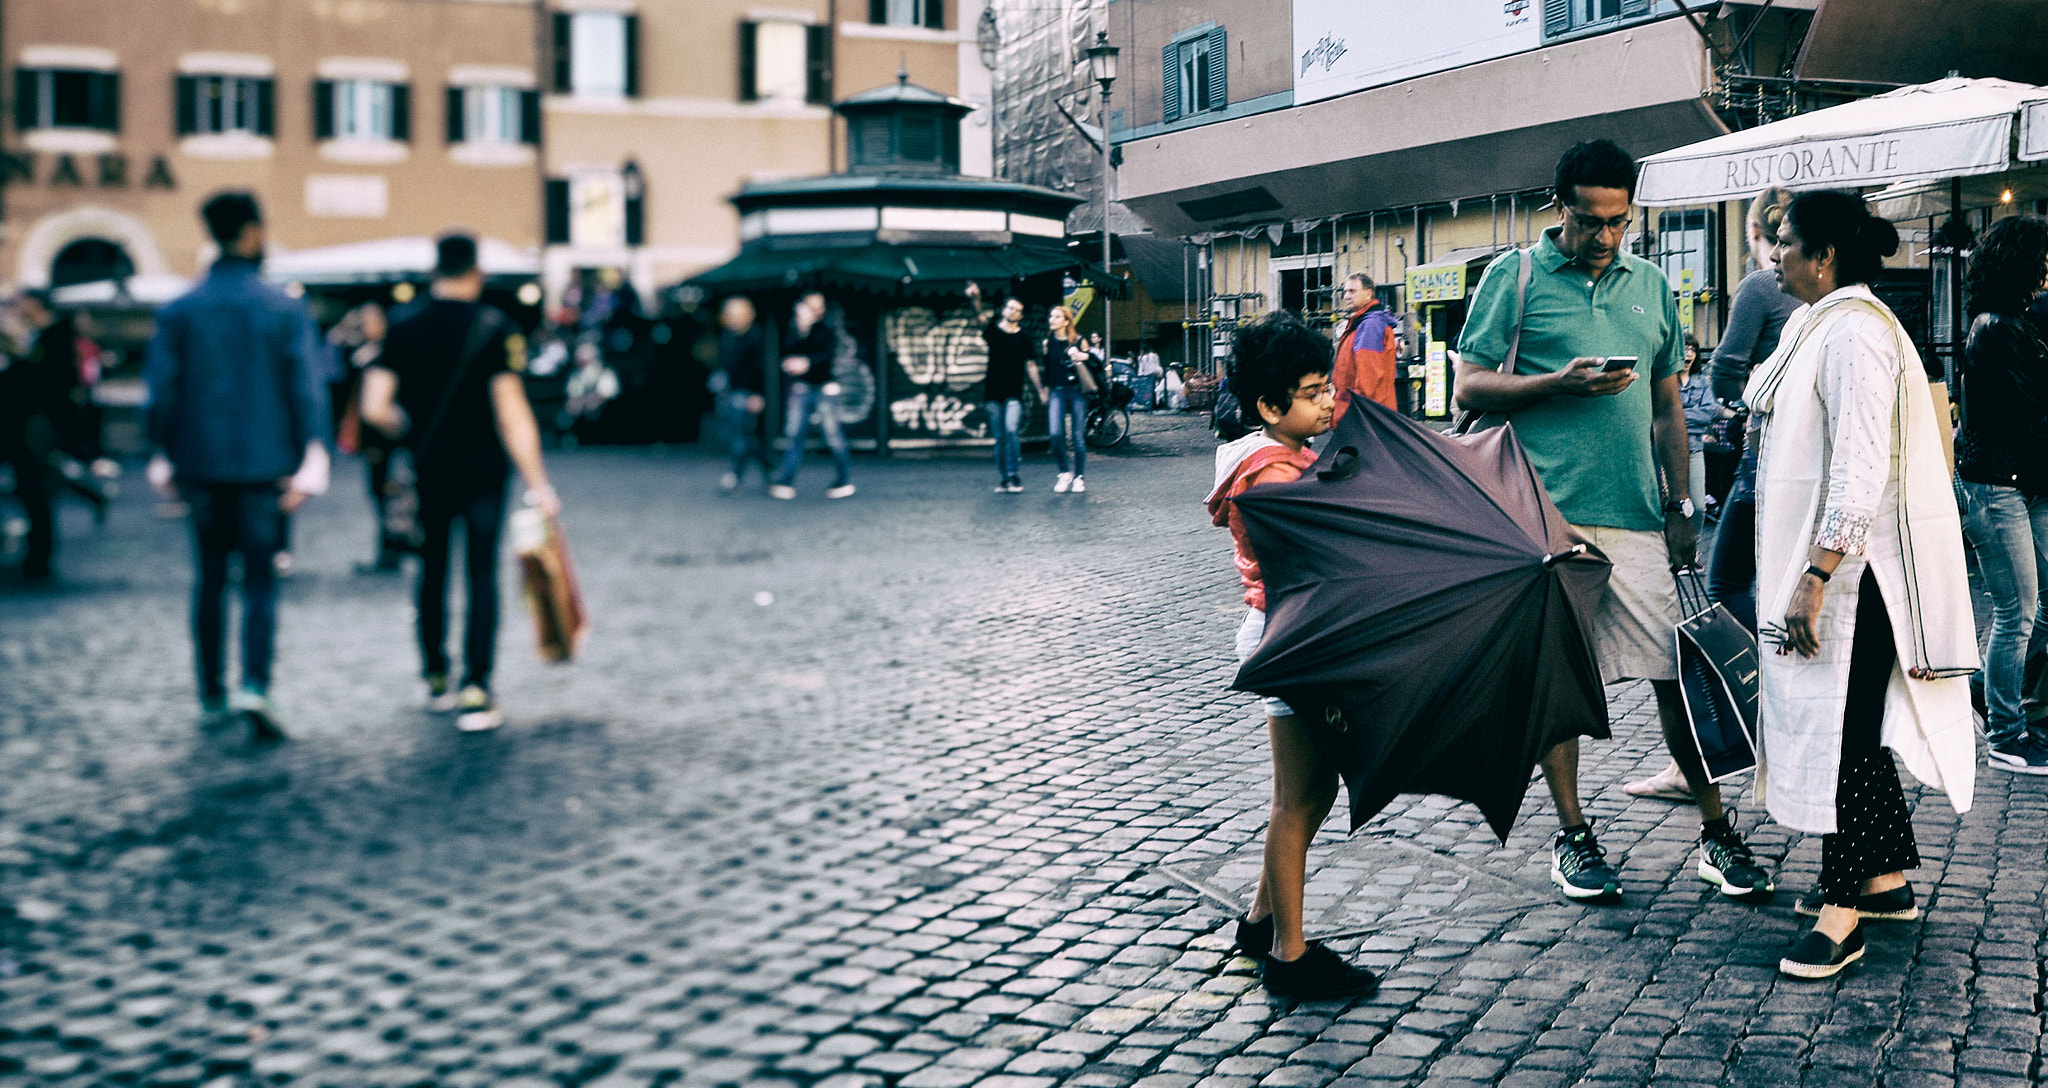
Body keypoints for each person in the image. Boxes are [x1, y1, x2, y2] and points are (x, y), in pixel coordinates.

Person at [1454, 139, 1772, 905]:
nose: (1604, 237)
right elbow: (1469, 384)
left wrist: (1679, 503)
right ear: (1558, 206)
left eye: (1618, 222)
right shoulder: (1515, 276)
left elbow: (1667, 404)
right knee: (1559, 687)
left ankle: (1716, 833)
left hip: (1635, 515)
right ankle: (1573, 836)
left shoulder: (1652, 285)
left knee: (1676, 679)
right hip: (1540, 518)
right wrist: (1554, 383)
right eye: (1590, 220)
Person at [1746, 190, 1977, 979]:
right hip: (1837, 571)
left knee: (1840, 732)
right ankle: (1882, 879)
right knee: (1854, 722)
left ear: (1824, 258)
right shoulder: (1828, 322)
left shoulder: (1854, 335)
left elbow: (1859, 466)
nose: (1775, 254)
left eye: (1786, 242)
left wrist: (1816, 575)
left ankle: (1842, 912)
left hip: (1852, 579)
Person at [1206, 312, 1374, 999]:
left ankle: (1260, 925)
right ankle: (1290, 956)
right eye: (1312, 394)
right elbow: (1315, 557)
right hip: (1292, 637)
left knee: (1307, 793)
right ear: (1270, 407)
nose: (1328, 402)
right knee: (1299, 800)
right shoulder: (1274, 476)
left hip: (1287, 631)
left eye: (1326, 389)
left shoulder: (1276, 455)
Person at [1625, 189, 1801, 804]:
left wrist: (1748, 401)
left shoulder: (1760, 288)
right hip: (1807, 479)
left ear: (1757, 231)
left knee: (1722, 594)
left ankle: (1742, 719)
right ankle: (1765, 721)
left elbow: (1725, 370)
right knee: (1774, 589)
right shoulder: (1833, 304)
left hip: (1764, 464)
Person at [143, 191, 330, 739]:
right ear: (252, 232)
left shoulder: (180, 309)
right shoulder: (284, 307)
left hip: (200, 464)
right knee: (258, 581)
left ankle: (210, 691)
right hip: (264, 465)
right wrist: (311, 454)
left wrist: (162, 452)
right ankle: (255, 685)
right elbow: (305, 386)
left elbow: (162, 392)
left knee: (208, 580)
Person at [361, 233, 560, 733]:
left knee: (431, 571)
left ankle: (433, 676)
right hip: (484, 471)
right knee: (480, 574)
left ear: (435, 272)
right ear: (477, 271)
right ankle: (477, 685)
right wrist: (539, 483)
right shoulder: (494, 327)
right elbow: (512, 414)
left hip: (429, 468)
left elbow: (373, 406)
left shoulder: (403, 328)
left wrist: (407, 430)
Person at [1954, 214, 2048, 772]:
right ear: (2021, 261)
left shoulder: (2013, 320)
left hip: (2025, 483)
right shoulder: (1997, 327)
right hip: (1997, 486)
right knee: (2017, 610)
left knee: (2040, 607)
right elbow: (2028, 416)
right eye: (2040, 256)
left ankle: (1987, 690)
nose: (2046, 266)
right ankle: (2006, 735)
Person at [0, 292, 88, 580]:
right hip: (29, 425)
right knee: (33, 491)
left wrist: (17, 355)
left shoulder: (51, 338)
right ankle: (37, 553)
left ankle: (39, 555)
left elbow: (46, 382)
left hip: (35, 427)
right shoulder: (43, 337)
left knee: (35, 490)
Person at [768, 291, 855, 500]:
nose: (817, 309)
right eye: (812, 305)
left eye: (820, 305)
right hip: (803, 388)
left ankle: (844, 480)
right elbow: (787, 351)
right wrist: (801, 329)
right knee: (794, 434)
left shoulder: (827, 328)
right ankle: (786, 480)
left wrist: (806, 362)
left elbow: (826, 355)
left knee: (832, 435)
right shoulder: (795, 329)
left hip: (825, 388)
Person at [965, 282, 1042, 494]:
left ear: (1020, 316)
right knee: (999, 437)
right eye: (1010, 308)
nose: (1013, 312)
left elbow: (1031, 366)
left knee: (1011, 430)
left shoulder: (1024, 338)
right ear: (1003, 310)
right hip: (992, 393)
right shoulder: (992, 330)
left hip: (1014, 393)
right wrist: (975, 298)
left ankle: (1014, 475)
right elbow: (978, 316)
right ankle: (1003, 478)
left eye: (1018, 310)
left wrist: (1041, 390)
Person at [714, 296, 772, 494]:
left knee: (743, 436)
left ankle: (737, 474)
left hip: (747, 394)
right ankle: (768, 470)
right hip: (733, 393)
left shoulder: (756, 337)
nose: (732, 319)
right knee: (746, 437)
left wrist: (758, 394)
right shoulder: (728, 336)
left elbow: (761, 369)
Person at [1042, 305, 1100, 493]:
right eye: (1051, 316)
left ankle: (1079, 477)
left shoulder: (1078, 340)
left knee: (1077, 436)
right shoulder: (1047, 343)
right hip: (1056, 392)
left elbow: (1095, 363)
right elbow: (1047, 370)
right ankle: (1064, 473)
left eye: (1057, 316)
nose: (1052, 319)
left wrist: (1083, 355)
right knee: (1055, 434)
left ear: (1066, 321)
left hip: (1077, 392)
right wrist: (1044, 390)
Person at [1329, 273, 1399, 424]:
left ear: (1369, 293)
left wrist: (1352, 414)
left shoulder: (1369, 325)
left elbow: (1368, 378)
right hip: (1372, 412)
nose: (1346, 296)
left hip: (1366, 416)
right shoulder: (1365, 323)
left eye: (1352, 291)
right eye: (1345, 291)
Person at [1678, 336, 1717, 534]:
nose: (1689, 353)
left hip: (1694, 449)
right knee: (1673, 506)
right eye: (1685, 348)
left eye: (1692, 349)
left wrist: (1675, 417)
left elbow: (1708, 413)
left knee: (1699, 506)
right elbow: (1658, 414)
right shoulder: (1666, 382)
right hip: (1668, 450)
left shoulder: (1702, 382)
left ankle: (1694, 549)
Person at [1135, 342, 1164, 410]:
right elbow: (1158, 364)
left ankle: (1148, 404)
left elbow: (1141, 368)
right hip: (1155, 374)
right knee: (1156, 389)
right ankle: (1157, 403)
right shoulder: (1155, 355)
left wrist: (1140, 376)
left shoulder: (1141, 357)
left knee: (1147, 391)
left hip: (1146, 376)